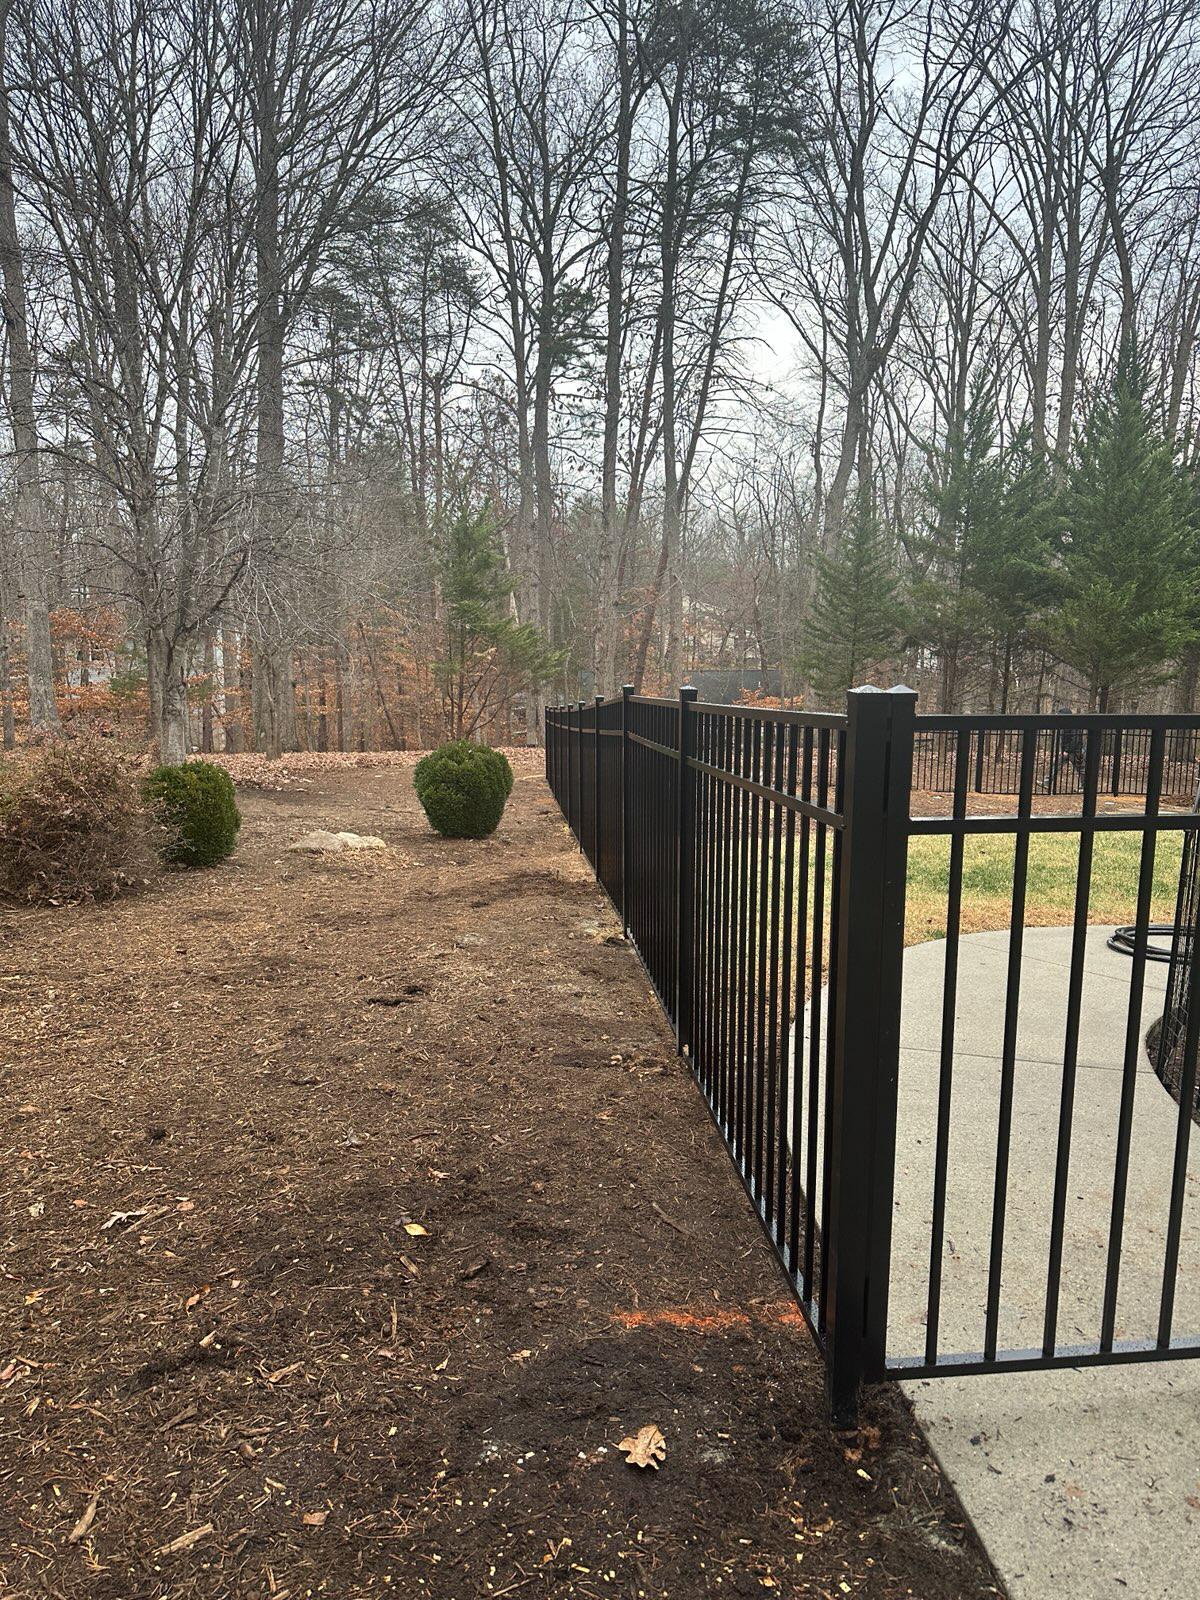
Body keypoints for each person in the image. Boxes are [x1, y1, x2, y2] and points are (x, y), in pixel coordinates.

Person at [1041, 704, 1086, 792]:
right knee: (1056, 764)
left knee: (1081, 769)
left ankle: (1084, 787)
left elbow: (1075, 740)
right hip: (1067, 752)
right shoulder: (1065, 725)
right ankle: (1047, 782)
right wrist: (1063, 750)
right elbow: (1064, 740)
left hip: (1076, 752)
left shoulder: (1074, 725)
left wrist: (1066, 750)